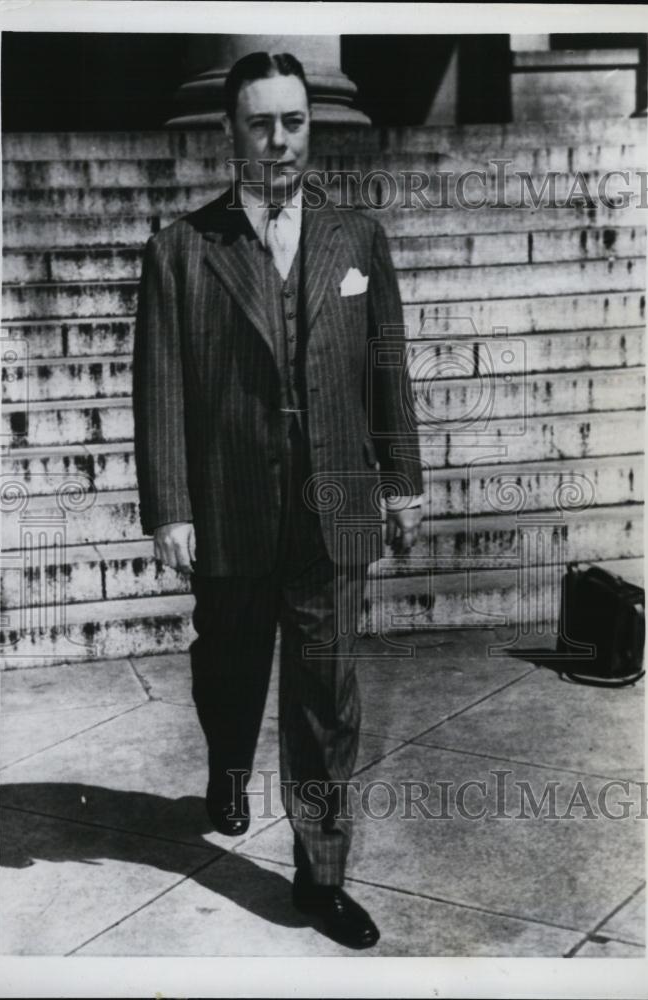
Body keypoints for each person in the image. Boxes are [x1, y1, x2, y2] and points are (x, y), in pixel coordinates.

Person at [132, 51, 423, 950]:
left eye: (293, 121)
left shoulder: (356, 239)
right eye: (259, 124)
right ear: (230, 133)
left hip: (334, 502)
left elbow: (385, 366)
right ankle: (227, 763)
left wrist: (403, 481)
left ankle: (319, 875)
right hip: (229, 503)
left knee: (325, 690)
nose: (279, 141)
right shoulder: (182, 250)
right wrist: (170, 507)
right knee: (229, 667)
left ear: (309, 125)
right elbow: (161, 387)